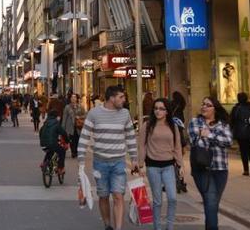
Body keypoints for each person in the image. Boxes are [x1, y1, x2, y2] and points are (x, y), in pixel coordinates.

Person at [78, 85, 139, 230]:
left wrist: (134, 159)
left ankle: (118, 228)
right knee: (103, 196)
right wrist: (81, 161)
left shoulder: (125, 114)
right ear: (112, 98)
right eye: (121, 97)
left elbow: (130, 137)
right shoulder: (94, 113)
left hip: (119, 162)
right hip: (100, 163)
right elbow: (84, 137)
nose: (124, 100)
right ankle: (107, 225)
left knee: (118, 196)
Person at [189, 97, 233, 230]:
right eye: (203, 104)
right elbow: (196, 141)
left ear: (215, 108)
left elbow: (228, 142)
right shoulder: (195, 122)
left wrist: (208, 135)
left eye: (208, 105)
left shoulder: (223, 124)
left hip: (221, 169)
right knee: (211, 201)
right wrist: (215, 138)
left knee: (212, 203)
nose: (204, 107)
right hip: (202, 168)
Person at [139, 98, 182, 230]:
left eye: (162, 108)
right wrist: (140, 164)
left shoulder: (173, 126)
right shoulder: (147, 125)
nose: (158, 111)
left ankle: (170, 227)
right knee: (157, 201)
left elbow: (177, 146)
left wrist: (180, 166)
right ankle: (157, 227)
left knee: (172, 198)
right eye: (156, 108)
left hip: (169, 166)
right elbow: (142, 145)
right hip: (153, 167)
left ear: (167, 111)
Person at [229, 92, 250, 176]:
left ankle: (246, 169)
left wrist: (231, 130)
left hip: (240, 133)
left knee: (243, 151)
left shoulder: (235, 108)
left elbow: (232, 121)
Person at [39, 108, 68, 174]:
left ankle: (44, 163)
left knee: (50, 151)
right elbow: (63, 133)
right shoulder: (56, 124)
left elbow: (41, 132)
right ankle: (60, 168)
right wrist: (67, 141)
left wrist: (42, 140)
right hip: (52, 143)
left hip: (43, 144)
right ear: (56, 116)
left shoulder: (45, 123)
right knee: (62, 151)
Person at [61, 93, 86, 158]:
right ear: (70, 99)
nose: (73, 99)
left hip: (78, 127)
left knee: (78, 140)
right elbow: (64, 118)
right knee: (72, 140)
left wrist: (79, 117)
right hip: (70, 127)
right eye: (72, 97)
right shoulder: (67, 107)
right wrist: (63, 128)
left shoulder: (80, 106)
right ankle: (73, 152)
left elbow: (85, 115)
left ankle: (77, 151)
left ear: (77, 99)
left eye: (75, 97)